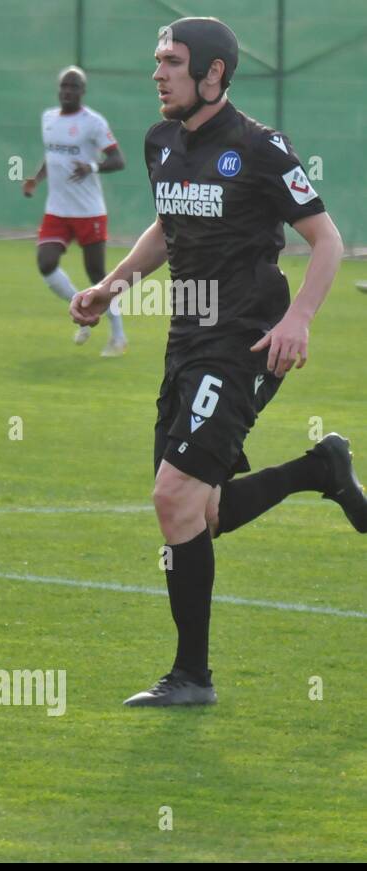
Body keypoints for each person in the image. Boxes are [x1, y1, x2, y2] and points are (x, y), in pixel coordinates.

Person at [70, 18, 363, 707]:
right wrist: (113, 284)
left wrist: (299, 320)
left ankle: (192, 678)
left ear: (213, 75)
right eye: (157, 60)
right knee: (196, 513)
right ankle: (318, 468)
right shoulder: (160, 142)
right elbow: (169, 227)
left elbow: (328, 241)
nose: (157, 73)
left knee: (174, 499)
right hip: (186, 341)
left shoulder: (260, 149)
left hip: (247, 340)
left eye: (171, 61)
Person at [24, 66, 127, 356]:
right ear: (58, 90)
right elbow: (52, 154)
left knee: (97, 275)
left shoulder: (93, 122)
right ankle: (82, 311)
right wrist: (35, 178)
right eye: (64, 86)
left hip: (89, 211)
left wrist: (91, 167)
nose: (68, 91)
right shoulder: (47, 119)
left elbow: (118, 160)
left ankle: (118, 336)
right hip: (56, 210)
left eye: (74, 87)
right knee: (46, 263)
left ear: (82, 91)